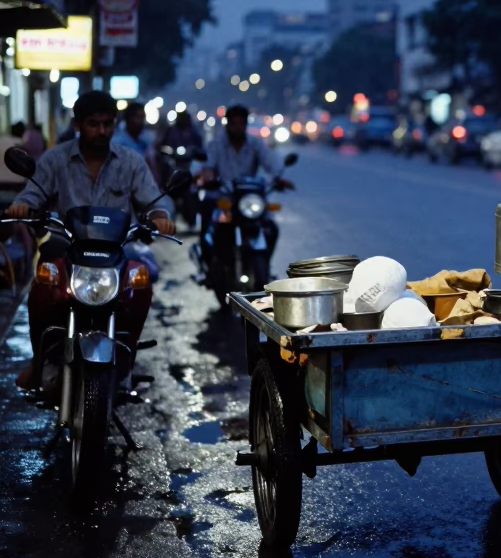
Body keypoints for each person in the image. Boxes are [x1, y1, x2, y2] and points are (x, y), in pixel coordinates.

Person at [5, 90, 175, 388]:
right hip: (67, 249)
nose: (101, 131)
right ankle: (39, 359)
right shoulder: (56, 158)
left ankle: (128, 353)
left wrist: (160, 215)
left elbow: (153, 199)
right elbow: (32, 193)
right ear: (79, 124)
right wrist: (24, 206)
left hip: (116, 252)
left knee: (142, 280)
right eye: (94, 124)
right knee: (42, 284)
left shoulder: (130, 161)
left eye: (107, 124)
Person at [198, 104, 294, 262]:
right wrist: (208, 178)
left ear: (246, 125)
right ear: (227, 124)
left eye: (241, 123)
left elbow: (271, 163)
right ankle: (207, 262)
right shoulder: (216, 144)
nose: (238, 128)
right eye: (234, 123)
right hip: (224, 196)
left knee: (271, 228)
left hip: (248, 197)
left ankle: (264, 264)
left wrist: (279, 177)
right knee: (208, 216)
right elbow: (208, 167)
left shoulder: (255, 143)